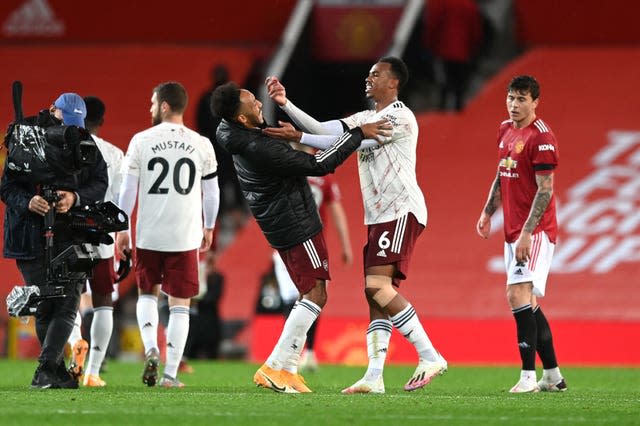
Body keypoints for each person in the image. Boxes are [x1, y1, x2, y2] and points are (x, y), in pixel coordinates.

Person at [264, 56, 447, 394]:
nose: (368, 78)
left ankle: (429, 354)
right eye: (367, 73)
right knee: (375, 296)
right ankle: (374, 376)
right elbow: (327, 130)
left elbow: (354, 142)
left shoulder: (400, 117)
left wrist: (300, 134)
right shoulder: (365, 117)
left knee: (378, 286)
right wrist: (286, 104)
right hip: (378, 215)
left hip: (400, 210)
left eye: (375, 74)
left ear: (393, 82)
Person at [210, 81, 389, 393]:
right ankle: (273, 367)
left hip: (281, 220)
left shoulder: (235, 133)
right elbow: (317, 164)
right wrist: (359, 134)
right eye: (252, 102)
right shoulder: (257, 146)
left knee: (310, 292)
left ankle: (288, 368)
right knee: (315, 293)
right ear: (240, 118)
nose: (258, 104)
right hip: (295, 221)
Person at [115, 81, 220, 388]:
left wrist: (122, 228)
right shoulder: (201, 143)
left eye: (152, 102)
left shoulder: (140, 141)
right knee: (180, 304)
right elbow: (211, 191)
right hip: (184, 235)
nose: (150, 108)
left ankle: (150, 348)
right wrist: (209, 226)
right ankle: (171, 374)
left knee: (147, 294)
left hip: (149, 234)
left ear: (163, 105)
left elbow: (127, 190)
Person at [1, 93, 108, 389]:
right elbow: (7, 187)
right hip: (28, 233)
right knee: (47, 304)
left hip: (68, 231)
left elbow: (100, 182)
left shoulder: (84, 141)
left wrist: (74, 197)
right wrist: (28, 201)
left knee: (69, 297)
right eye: (67, 120)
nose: (72, 128)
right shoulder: (25, 135)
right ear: (52, 111)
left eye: (77, 123)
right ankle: (52, 370)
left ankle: (48, 369)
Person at [476, 75, 567, 393]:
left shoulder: (542, 138)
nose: (514, 105)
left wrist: (528, 233)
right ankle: (553, 376)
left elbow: (546, 190)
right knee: (527, 301)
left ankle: (528, 376)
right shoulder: (505, 129)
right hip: (513, 229)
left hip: (537, 229)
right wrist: (489, 211)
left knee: (516, 294)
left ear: (535, 102)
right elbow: (502, 172)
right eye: (511, 98)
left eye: (521, 99)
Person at [66, 96, 125, 387]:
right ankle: (93, 372)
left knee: (68, 298)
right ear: (101, 122)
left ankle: (76, 340)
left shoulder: (65, 148)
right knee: (103, 302)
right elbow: (119, 201)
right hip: (102, 236)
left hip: (69, 235)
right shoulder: (115, 154)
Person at [273, 162, 353, 372]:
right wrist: (345, 246)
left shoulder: (285, 168)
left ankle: (295, 353)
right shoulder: (322, 174)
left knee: (296, 300)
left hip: (290, 242)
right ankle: (301, 352)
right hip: (311, 245)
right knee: (311, 297)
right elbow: (337, 212)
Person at [424, 0, 483, 111]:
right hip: (463, 50)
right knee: (459, 84)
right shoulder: (469, 5)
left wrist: (430, 44)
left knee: (444, 82)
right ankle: (458, 108)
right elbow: (475, 28)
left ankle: (442, 108)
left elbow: (433, 23)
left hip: (444, 48)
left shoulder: (442, 3)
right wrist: (474, 47)